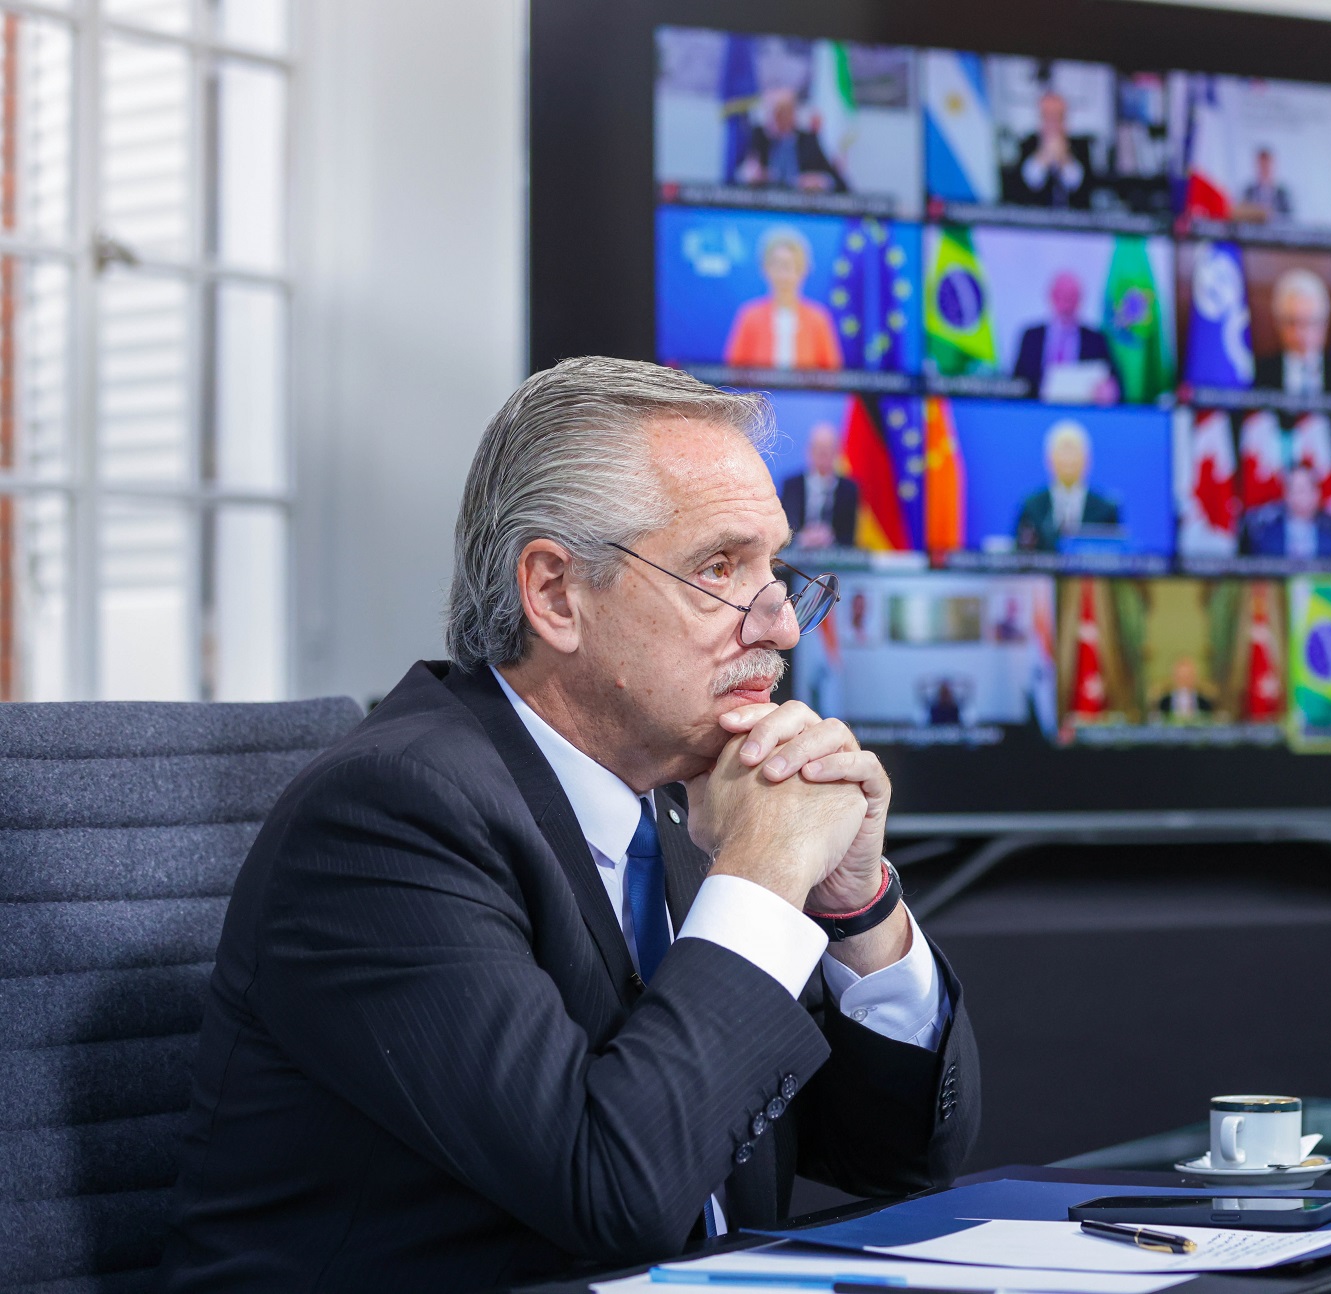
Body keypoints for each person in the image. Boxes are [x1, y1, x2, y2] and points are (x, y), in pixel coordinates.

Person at [160, 359, 978, 1291]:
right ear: (554, 594)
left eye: (778, 570)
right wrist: (758, 876)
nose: (784, 626)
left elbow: (896, 1162)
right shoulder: (390, 819)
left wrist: (857, 908)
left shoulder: (680, 797)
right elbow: (617, 1194)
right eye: (721, 567)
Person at [723, 226, 843, 371]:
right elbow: (732, 372)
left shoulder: (818, 318)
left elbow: (833, 375)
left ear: (803, 270)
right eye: (777, 266)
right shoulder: (749, 316)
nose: (784, 276)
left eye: (789, 266)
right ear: (765, 269)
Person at [1011, 270, 1121, 403]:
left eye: (1072, 297)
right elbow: (1017, 384)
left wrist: (1109, 390)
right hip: (1038, 411)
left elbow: (1116, 384)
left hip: (1081, 413)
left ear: (1080, 301)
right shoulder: (1031, 337)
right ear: (1051, 297)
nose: (1066, 304)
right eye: (1061, 296)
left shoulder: (1096, 340)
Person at [1014, 419, 1121, 552]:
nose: (1068, 459)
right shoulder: (1032, 506)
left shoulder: (1106, 509)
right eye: (1063, 452)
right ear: (1049, 459)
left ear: (1087, 460)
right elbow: (1019, 556)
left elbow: (1116, 559)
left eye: (1073, 452)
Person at [1254, 268, 1331, 397]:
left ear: (1324, 324)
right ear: (1278, 324)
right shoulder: (1262, 373)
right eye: (1292, 322)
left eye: (1310, 322)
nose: (1301, 333)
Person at [733, 87, 847, 193]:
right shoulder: (758, 136)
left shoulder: (808, 141)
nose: (774, 118)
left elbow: (839, 183)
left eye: (781, 112)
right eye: (771, 112)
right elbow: (733, 176)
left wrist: (820, 181)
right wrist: (747, 174)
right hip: (762, 209)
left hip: (801, 210)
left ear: (793, 114)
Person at [1002, 89, 1094, 209]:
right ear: (1040, 120)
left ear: (1065, 120)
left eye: (1058, 117)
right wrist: (1043, 157)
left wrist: (1065, 159)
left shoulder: (1081, 146)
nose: (1053, 123)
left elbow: (1083, 188)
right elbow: (1022, 187)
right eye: (1048, 117)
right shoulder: (1026, 144)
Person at [779, 422, 859, 548]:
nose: (823, 454)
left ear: (837, 452)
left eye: (828, 449)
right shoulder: (791, 486)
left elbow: (849, 537)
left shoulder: (849, 489)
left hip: (834, 559)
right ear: (809, 451)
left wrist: (830, 537)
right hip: (796, 558)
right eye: (818, 449)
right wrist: (802, 538)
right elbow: (784, 530)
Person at [1247, 465, 1331, 559]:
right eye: (1295, 489)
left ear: (1317, 493)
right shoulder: (1266, 538)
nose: (1300, 496)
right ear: (1285, 494)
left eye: (1304, 489)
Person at [1237, 147, 1293, 222]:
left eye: (1266, 165)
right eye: (1261, 165)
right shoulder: (1248, 192)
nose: (1264, 169)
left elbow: (1289, 218)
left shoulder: (1282, 194)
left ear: (1272, 166)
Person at [1154, 656, 1215, 721]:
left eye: (1188, 677)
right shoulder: (1163, 703)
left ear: (1195, 678)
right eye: (1181, 677)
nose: (1184, 681)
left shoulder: (1205, 704)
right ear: (1174, 677)